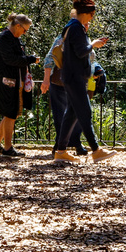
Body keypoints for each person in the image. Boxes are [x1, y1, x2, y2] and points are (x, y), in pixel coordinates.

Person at [54, 0, 115, 163]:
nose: (92, 17)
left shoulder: (71, 27)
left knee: (71, 114)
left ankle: (60, 151)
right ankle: (96, 150)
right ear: (86, 13)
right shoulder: (76, 28)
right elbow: (81, 51)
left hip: (72, 76)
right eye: (92, 14)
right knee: (85, 112)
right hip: (74, 78)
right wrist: (93, 44)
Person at [0, 13, 39, 158]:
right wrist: (30, 59)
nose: (24, 33)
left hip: (13, 81)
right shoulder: (5, 38)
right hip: (5, 82)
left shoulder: (13, 39)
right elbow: (10, 59)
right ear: (17, 26)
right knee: (10, 114)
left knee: (11, 114)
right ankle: (8, 147)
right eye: (25, 30)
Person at [40, 11, 87, 156]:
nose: (87, 25)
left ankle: (70, 143)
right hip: (62, 81)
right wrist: (46, 80)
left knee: (74, 114)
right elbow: (49, 59)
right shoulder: (62, 38)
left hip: (73, 81)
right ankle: (63, 145)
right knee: (63, 114)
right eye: (84, 22)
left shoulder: (81, 38)